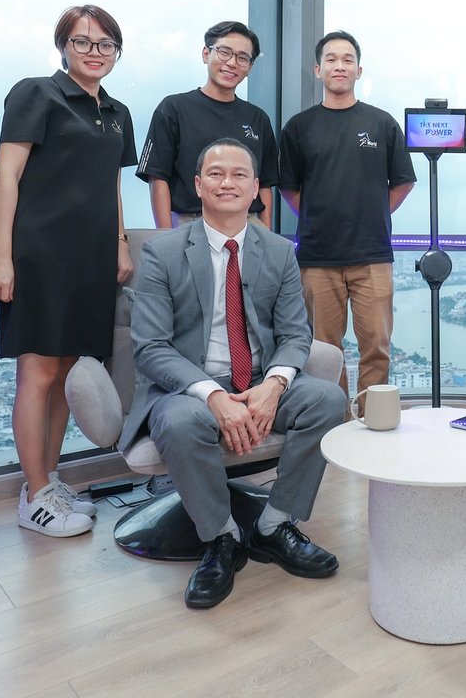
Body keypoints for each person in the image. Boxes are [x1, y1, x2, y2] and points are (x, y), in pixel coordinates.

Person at [125, 138, 346, 609]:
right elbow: (151, 347)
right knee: (181, 422)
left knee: (328, 400)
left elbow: (296, 334)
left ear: (255, 188)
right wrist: (212, 395)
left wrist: (275, 385)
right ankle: (220, 537)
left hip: (260, 379)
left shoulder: (279, 251)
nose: (228, 182)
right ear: (198, 185)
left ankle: (274, 524)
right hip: (188, 388)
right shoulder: (163, 253)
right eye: (216, 173)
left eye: (239, 174)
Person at [0, 4, 137, 538]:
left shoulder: (117, 112)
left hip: (91, 259)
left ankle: (47, 481)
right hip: (40, 254)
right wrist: (0, 254)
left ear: (116, 52)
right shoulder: (36, 93)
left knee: (67, 374)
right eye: (82, 41)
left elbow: (112, 184)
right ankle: (33, 496)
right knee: (38, 373)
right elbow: (6, 173)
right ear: (63, 46)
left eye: (105, 44)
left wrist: (120, 243)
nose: (94, 52)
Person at [278, 31, 416, 404]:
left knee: (377, 346)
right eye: (332, 59)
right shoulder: (299, 127)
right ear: (317, 69)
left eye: (348, 59)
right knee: (324, 351)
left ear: (358, 70)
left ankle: (373, 418)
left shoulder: (382, 123)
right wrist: (318, 215)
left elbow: (403, 182)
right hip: (317, 257)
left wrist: (370, 212)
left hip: (372, 255)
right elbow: (289, 188)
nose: (340, 66)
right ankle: (335, 420)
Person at [136, 20, 279, 229]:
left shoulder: (258, 118)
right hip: (190, 222)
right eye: (224, 52)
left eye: (242, 58)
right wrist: (165, 236)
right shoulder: (173, 108)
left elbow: (265, 183)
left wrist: (266, 234)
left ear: (250, 67)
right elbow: (157, 177)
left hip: (247, 223)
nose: (232, 63)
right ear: (206, 54)